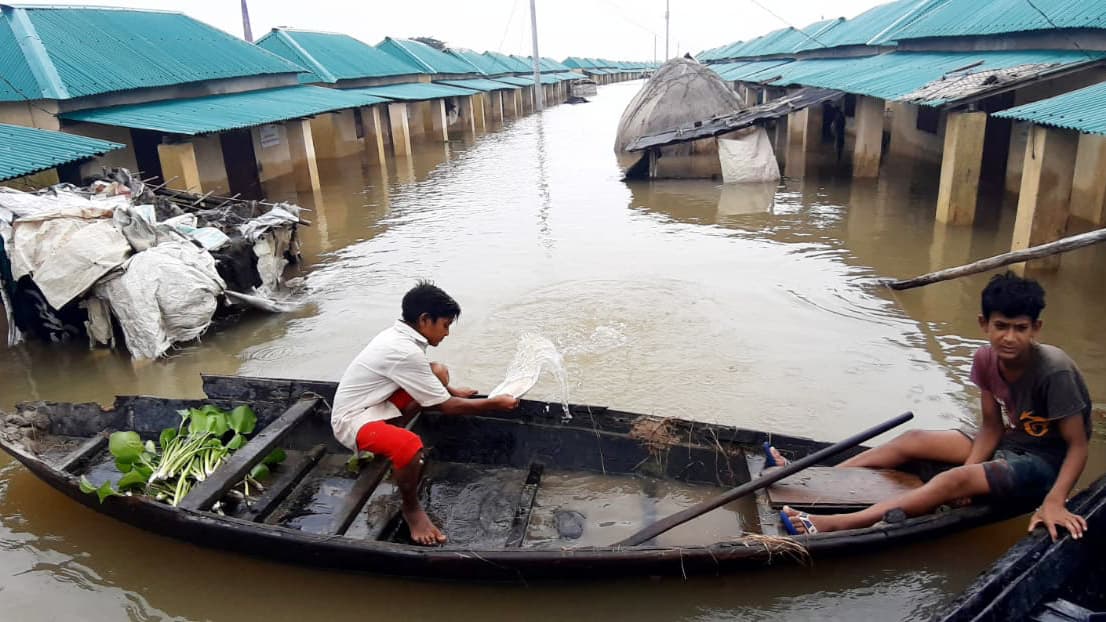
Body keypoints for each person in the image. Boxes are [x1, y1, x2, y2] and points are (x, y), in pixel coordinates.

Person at [775, 272, 1091, 541]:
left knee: (951, 481)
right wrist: (972, 466)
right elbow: (991, 427)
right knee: (914, 440)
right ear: (985, 324)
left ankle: (836, 524)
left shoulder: (1054, 370)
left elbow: (1077, 446)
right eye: (1002, 326)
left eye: (1020, 328)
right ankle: (815, 481)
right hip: (1012, 440)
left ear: (1035, 328)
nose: (1010, 337)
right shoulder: (985, 358)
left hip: (1046, 463)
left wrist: (1055, 501)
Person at [330, 281, 519, 545]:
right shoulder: (403, 350)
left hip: (376, 405)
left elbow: (426, 379)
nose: (447, 333)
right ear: (424, 319)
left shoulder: (401, 337)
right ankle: (412, 509)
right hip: (352, 420)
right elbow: (448, 408)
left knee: (438, 372)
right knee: (409, 445)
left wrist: (450, 390)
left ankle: (392, 442)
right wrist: (494, 403)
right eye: (445, 325)